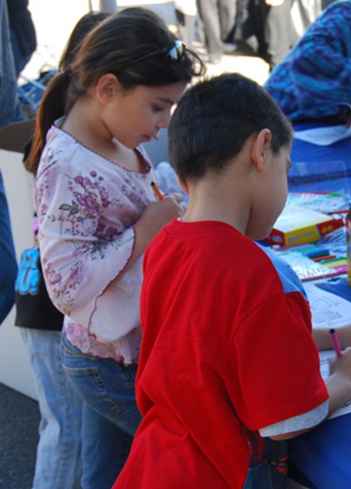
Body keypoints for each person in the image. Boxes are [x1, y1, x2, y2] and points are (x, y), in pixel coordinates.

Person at [112, 73, 351, 489]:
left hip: (156, 461)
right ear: (262, 150)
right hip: (221, 472)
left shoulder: (167, 244)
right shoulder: (258, 274)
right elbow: (287, 421)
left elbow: (215, 343)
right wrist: (347, 381)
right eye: (285, 170)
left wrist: (339, 335)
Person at [26, 8, 204, 489]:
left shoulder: (115, 139)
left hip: (123, 349)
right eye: (157, 107)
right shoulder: (68, 165)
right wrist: (143, 232)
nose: (164, 124)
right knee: (187, 448)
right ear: (106, 89)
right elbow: (65, 287)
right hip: (106, 359)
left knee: (109, 472)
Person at [14, 12, 109, 489]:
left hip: (40, 295)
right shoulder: (78, 135)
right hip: (54, 306)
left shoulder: (59, 112)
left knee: (68, 431)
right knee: (67, 433)